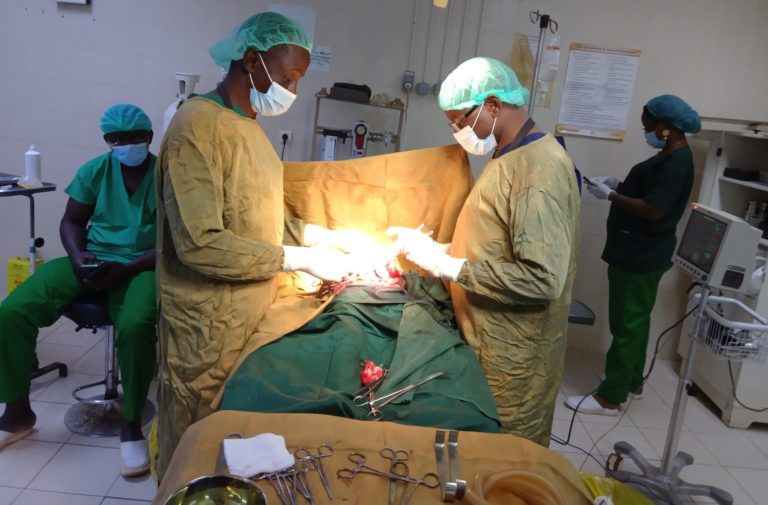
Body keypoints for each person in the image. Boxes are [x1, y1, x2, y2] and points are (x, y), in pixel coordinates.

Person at [155, 12, 358, 476]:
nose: (293, 90)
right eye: (288, 78)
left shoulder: (249, 127)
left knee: (235, 448)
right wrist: (297, 257)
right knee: (196, 448)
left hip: (249, 315)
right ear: (251, 60)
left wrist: (319, 237)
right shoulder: (196, 126)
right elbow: (200, 244)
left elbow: (258, 219)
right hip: (205, 329)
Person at [389, 57, 581, 446]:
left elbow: (542, 280)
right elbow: (493, 241)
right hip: (486, 338)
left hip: (513, 360)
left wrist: (448, 266)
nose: (458, 131)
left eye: (459, 121)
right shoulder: (508, 154)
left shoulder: (538, 169)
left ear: (492, 105)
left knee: (502, 460)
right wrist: (434, 250)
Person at [0, 103, 158, 477]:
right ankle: (17, 412)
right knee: (11, 312)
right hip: (92, 257)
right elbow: (72, 221)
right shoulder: (94, 170)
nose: (128, 145)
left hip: (143, 264)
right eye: (118, 139)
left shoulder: (169, 175)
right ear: (107, 140)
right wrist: (77, 257)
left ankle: (131, 424)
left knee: (137, 325)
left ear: (150, 137)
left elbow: (178, 240)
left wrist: (127, 268)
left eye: (136, 137)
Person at [565, 94, 701, 415]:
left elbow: (655, 209)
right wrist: (620, 186)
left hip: (640, 255)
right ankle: (631, 381)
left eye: (649, 127)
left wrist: (612, 195)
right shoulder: (669, 155)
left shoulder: (677, 161)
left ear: (666, 127)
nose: (646, 132)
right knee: (635, 322)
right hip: (639, 252)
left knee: (626, 325)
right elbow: (649, 192)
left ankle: (610, 398)